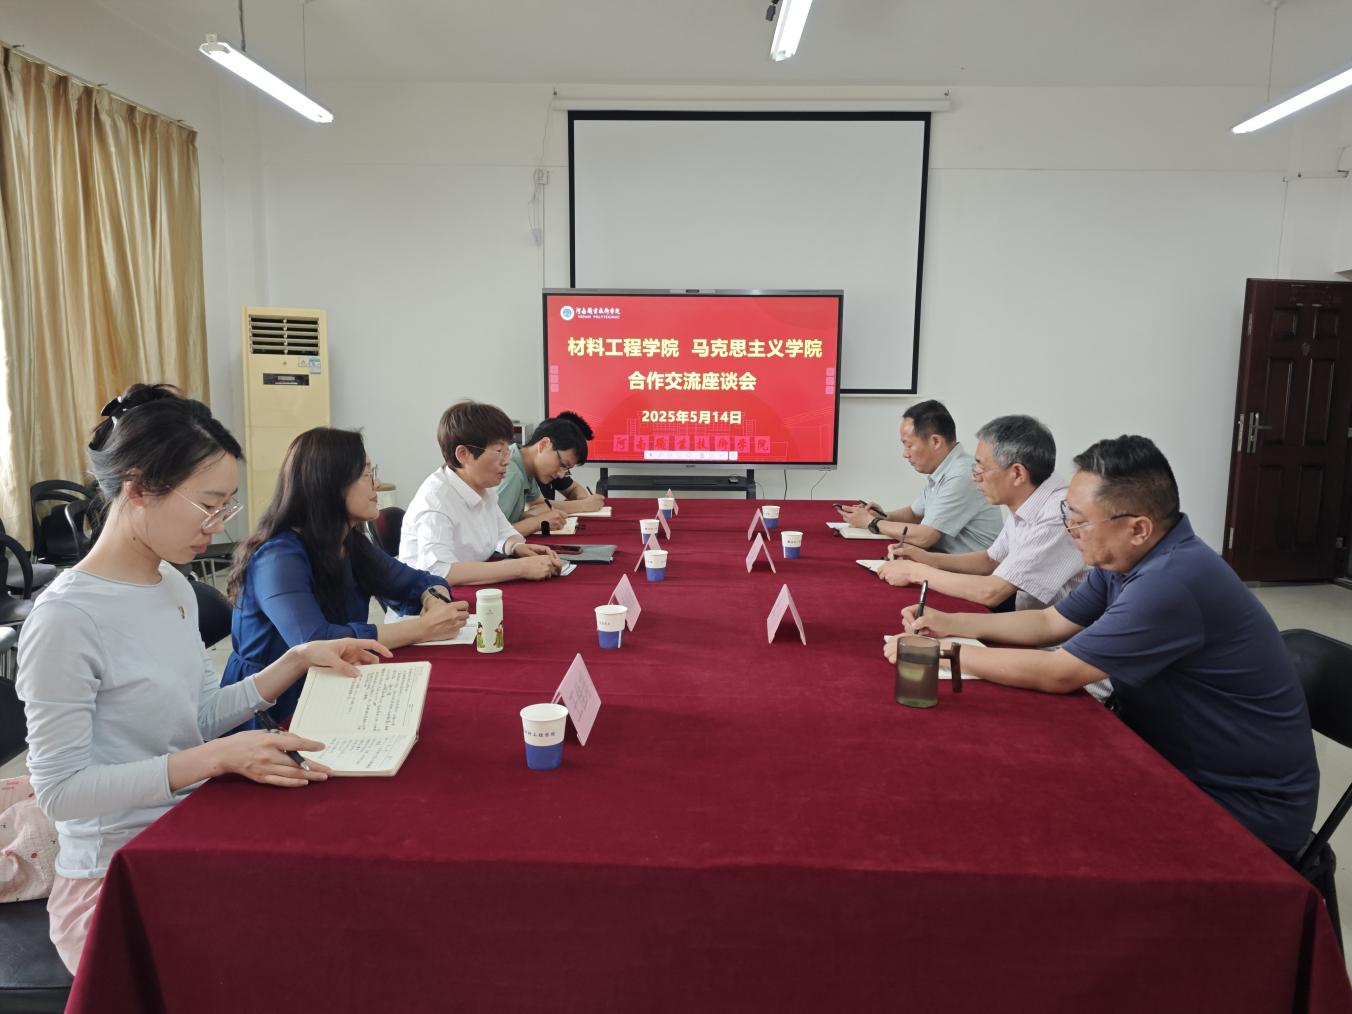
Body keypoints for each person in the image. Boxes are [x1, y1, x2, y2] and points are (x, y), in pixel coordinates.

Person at [16, 385, 390, 973]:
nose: (216, 527)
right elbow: (61, 792)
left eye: (227, 508)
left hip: (190, 825)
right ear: (139, 488)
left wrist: (296, 659)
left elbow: (197, 718)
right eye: (209, 505)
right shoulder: (67, 618)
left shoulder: (172, 585)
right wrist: (215, 759)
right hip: (116, 877)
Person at [884, 435, 1319, 857]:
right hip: (1159, 754)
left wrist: (948, 654)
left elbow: (1062, 672)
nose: (1070, 530)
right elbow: (1050, 622)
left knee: (1031, 823)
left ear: (1138, 528)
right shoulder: (1125, 560)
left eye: (1080, 520)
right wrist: (947, 623)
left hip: (1237, 806)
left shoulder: (1171, 581)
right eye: (1067, 513)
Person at [223, 427, 468, 722]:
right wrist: (423, 628)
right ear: (330, 485)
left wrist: (433, 599)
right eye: (366, 474)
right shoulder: (277, 558)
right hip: (271, 707)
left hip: (332, 686)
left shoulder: (349, 541)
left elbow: (420, 582)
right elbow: (315, 641)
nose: (377, 484)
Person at [877, 414, 1085, 610]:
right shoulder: (1031, 497)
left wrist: (915, 572)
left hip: (1054, 634)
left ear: (1017, 473)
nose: (975, 477)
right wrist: (927, 559)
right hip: (1025, 616)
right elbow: (990, 560)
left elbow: (991, 592)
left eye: (981, 469)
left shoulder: (1057, 515)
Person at [398, 400, 562, 585]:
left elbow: (502, 531)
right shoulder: (436, 501)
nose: (507, 461)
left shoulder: (482, 487)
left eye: (507, 450)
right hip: (427, 597)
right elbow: (440, 571)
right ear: (463, 454)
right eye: (499, 451)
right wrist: (520, 568)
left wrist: (517, 547)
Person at [838, 399, 1001, 553]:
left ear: (935, 442)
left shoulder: (962, 474)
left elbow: (925, 537)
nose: (905, 454)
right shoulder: (946, 468)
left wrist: (871, 522)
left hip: (966, 569)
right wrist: (883, 516)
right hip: (942, 560)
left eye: (909, 445)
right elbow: (915, 514)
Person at [495, 415, 598, 537]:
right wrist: (538, 522)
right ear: (544, 445)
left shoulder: (526, 466)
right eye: (562, 464)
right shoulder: (511, 473)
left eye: (566, 469)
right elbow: (492, 535)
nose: (561, 475)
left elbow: (540, 504)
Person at [532, 411, 605, 514]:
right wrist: (583, 505)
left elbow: (573, 489)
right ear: (545, 444)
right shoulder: (518, 469)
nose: (561, 475)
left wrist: (585, 501)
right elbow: (535, 508)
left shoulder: (552, 466)